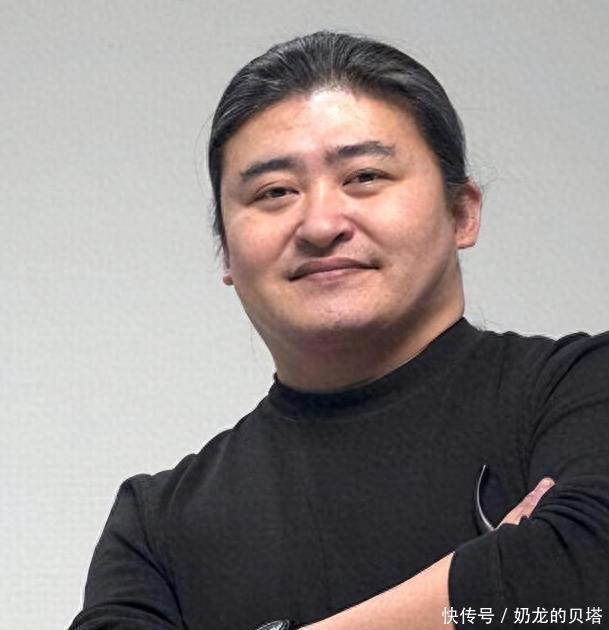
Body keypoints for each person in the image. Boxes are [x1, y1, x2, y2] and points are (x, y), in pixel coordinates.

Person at [69, 31, 609, 629]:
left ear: (462, 212)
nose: (321, 224)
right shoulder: (157, 527)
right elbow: (549, 594)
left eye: (364, 176)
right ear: (225, 252)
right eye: (275, 192)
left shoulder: (579, 390)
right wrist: (491, 584)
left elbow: (586, 579)